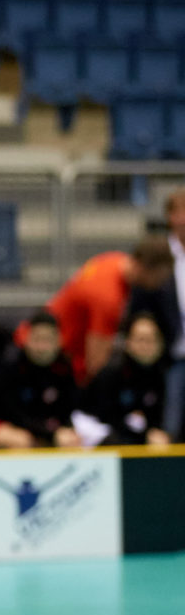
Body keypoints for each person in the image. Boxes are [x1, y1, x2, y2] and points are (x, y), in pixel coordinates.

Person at [46, 235, 173, 385]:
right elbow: (96, 364)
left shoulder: (113, 260)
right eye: (161, 277)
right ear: (146, 268)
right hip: (51, 358)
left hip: (55, 349)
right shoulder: (109, 298)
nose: (162, 283)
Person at [0, 311, 81, 450]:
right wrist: (50, 434)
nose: (42, 347)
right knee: (21, 441)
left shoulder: (64, 367)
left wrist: (64, 430)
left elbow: (67, 410)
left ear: (59, 341)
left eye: (48, 340)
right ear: (27, 339)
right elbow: (12, 414)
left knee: (70, 440)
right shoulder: (10, 365)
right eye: (37, 339)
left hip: (39, 427)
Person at [127, 189, 185, 440]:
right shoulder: (155, 251)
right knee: (168, 427)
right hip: (169, 357)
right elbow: (139, 305)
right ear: (171, 216)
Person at [81, 312, 171, 446]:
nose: (146, 346)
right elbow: (105, 416)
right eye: (141, 339)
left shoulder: (161, 374)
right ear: (128, 342)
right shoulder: (112, 372)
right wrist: (145, 434)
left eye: (151, 340)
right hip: (93, 427)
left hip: (132, 433)